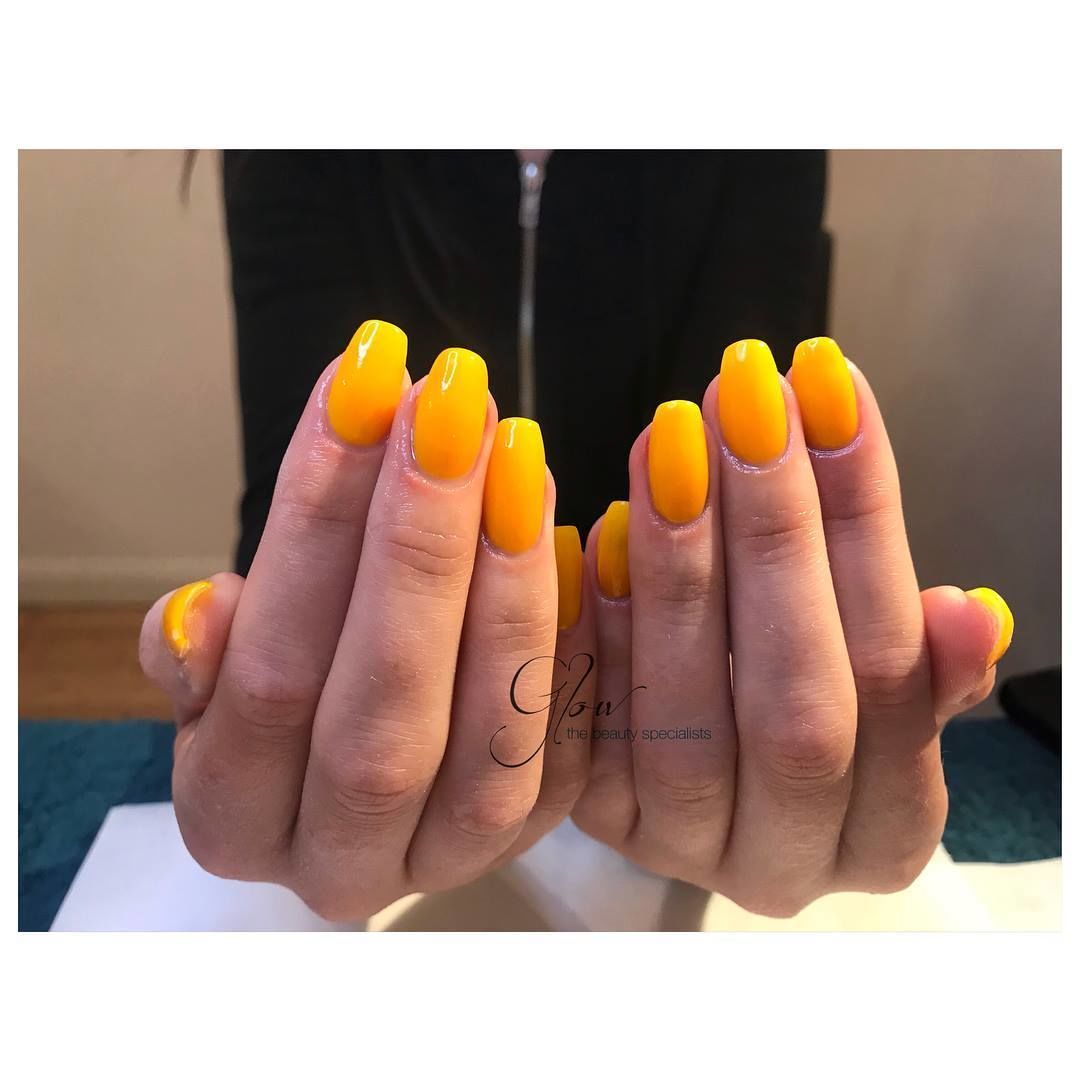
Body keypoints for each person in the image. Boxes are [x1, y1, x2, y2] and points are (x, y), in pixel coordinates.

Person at [139, 150, 1013, 922]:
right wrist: (281, 703)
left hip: (662, 741)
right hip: (398, 727)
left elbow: (755, 522)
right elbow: (303, 510)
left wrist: (777, 727)